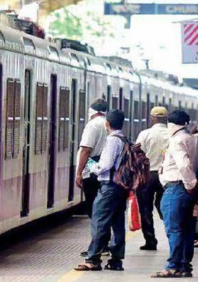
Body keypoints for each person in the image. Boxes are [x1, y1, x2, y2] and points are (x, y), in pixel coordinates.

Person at [75, 110, 128, 272]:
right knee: (118, 223)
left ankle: (93, 259)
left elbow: (105, 166)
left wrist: (91, 166)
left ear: (107, 124)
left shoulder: (112, 140)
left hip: (109, 187)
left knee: (99, 221)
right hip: (120, 188)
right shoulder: (124, 139)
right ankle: (116, 259)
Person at [152, 110, 198, 278]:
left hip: (177, 188)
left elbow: (184, 165)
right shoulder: (194, 139)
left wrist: (189, 183)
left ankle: (173, 265)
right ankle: (184, 265)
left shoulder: (176, 141)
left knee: (174, 228)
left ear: (170, 124)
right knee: (187, 228)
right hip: (188, 191)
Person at [76, 98, 110, 257]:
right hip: (105, 169)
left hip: (92, 169)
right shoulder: (108, 124)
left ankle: (98, 245)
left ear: (93, 111)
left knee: (94, 210)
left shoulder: (93, 125)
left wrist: (79, 172)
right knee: (102, 209)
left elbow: (85, 151)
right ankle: (103, 243)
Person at [135, 107, 169, 251]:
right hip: (166, 176)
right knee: (166, 207)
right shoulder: (172, 134)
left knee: (145, 208)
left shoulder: (145, 134)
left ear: (151, 118)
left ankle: (150, 240)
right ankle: (172, 234)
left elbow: (136, 151)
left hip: (147, 175)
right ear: (166, 119)